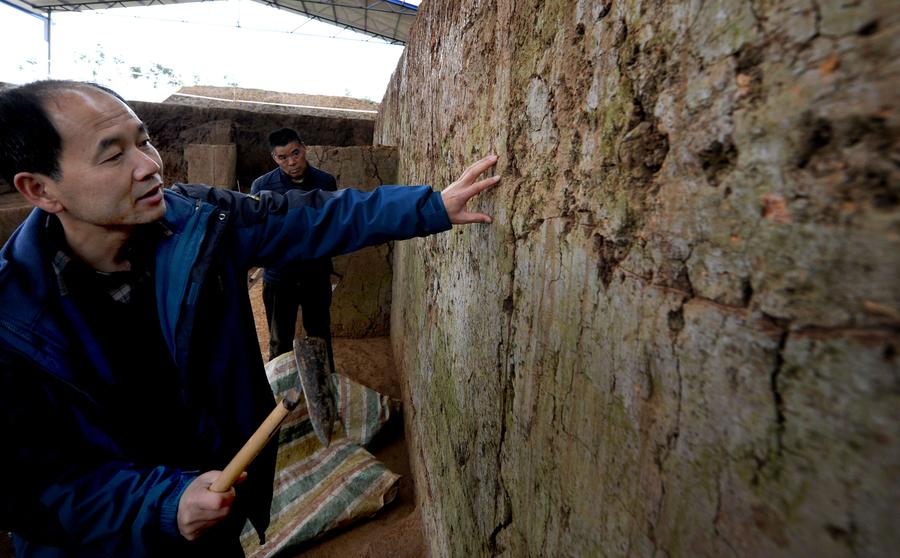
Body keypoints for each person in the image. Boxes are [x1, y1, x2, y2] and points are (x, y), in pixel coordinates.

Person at [0, 80, 501, 557]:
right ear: (42, 190)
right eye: (113, 154)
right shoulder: (10, 322)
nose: (149, 165)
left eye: (144, 141)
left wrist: (430, 206)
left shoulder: (198, 222)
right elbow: (32, 488)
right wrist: (164, 505)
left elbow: (308, 216)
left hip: (216, 508)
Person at [250, 129, 336, 361]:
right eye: (282, 157)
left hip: (316, 275)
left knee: (320, 337)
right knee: (279, 341)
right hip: (279, 278)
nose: (292, 162)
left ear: (304, 148)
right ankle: (283, 394)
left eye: (295, 153)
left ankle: (323, 391)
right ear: (274, 158)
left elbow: (331, 226)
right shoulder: (261, 186)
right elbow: (258, 231)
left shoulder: (326, 182)